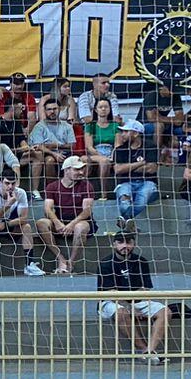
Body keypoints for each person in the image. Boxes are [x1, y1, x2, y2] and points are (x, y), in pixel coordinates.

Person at [96, 229, 169, 364]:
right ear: (114, 244)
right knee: (121, 313)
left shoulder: (141, 261)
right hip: (110, 301)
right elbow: (111, 293)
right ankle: (143, 350)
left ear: (134, 244)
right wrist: (130, 308)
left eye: (129, 242)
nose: (125, 246)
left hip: (137, 300)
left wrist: (135, 302)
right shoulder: (105, 263)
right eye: (121, 242)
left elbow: (145, 287)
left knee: (165, 312)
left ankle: (150, 351)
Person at [35, 155, 96, 275]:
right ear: (66, 170)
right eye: (77, 169)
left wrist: (72, 224)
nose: (81, 172)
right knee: (41, 223)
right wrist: (57, 223)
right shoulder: (52, 186)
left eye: (82, 169)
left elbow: (87, 211)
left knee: (80, 227)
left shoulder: (86, 186)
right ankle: (61, 259)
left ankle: (71, 262)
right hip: (60, 221)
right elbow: (47, 208)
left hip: (80, 221)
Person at [112, 121, 159, 221]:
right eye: (122, 132)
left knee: (142, 198)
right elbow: (118, 169)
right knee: (124, 202)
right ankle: (128, 224)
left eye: (125, 132)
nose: (122, 135)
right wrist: (140, 164)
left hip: (148, 182)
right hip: (126, 183)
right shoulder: (120, 150)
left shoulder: (150, 146)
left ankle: (125, 220)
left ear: (136, 133)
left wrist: (127, 168)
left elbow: (151, 169)